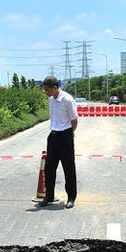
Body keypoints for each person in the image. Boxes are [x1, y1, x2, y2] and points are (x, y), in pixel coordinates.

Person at [38, 76, 78, 209]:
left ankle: (71, 197)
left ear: (55, 88)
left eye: (47, 90)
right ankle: (49, 196)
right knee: (49, 168)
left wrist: (67, 134)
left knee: (68, 168)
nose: (46, 93)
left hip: (65, 136)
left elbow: (74, 120)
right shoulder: (51, 99)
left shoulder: (67, 99)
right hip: (53, 136)